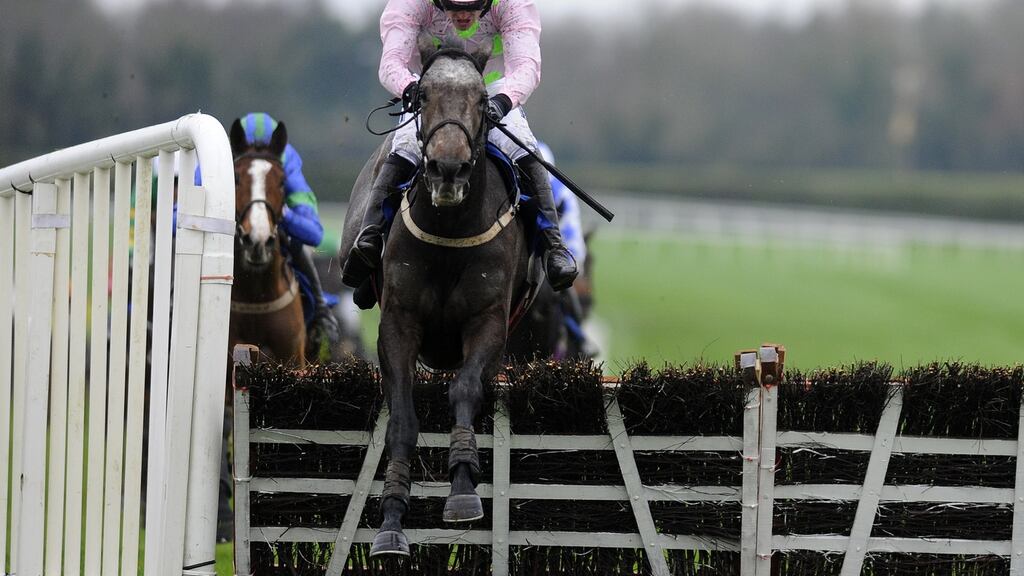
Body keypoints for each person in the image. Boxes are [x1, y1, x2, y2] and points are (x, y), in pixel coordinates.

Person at [341, 0, 578, 293]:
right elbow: (391, 64)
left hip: (490, 91)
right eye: (454, 7)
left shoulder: (513, 5)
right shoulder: (411, 4)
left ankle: (553, 246)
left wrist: (502, 102)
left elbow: (526, 66)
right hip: (429, 90)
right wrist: (411, 89)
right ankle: (371, 238)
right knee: (404, 147)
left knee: (525, 149)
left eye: (474, 6)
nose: (464, 15)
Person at [235, 112, 339, 345]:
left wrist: (283, 214)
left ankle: (321, 312)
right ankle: (172, 305)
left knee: (295, 242)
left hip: (276, 224)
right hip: (231, 221)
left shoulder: (288, 162)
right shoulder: (217, 156)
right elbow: (176, 222)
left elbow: (314, 234)